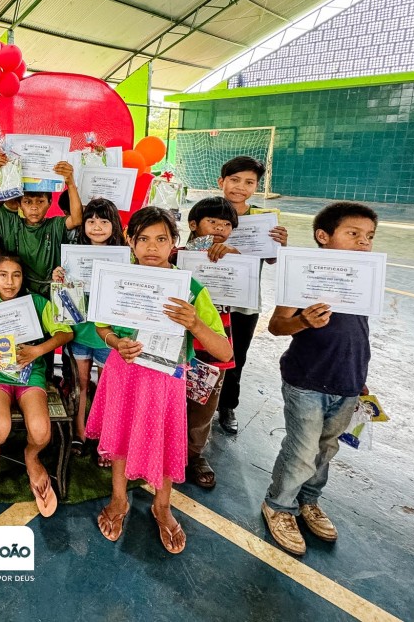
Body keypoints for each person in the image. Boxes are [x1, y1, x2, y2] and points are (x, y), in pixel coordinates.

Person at [87, 207, 232, 554]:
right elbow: (101, 326)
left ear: (174, 243)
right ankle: (119, 499)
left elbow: (224, 350)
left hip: (166, 382)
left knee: (164, 441)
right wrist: (114, 342)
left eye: (161, 239)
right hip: (124, 372)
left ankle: (162, 505)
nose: (152, 247)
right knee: (120, 435)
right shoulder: (118, 279)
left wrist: (195, 324)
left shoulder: (190, 289)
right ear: (130, 242)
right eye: (143, 239)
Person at [261, 202, 378, 557]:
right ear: (323, 236)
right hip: (307, 381)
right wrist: (304, 321)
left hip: (347, 381)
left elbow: (358, 333)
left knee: (327, 447)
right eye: (353, 234)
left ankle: (308, 500)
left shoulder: (365, 278)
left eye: (369, 236)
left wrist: (359, 375)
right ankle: (279, 505)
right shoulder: (303, 275)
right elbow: (276, 325)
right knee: (302, 450)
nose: (363, 242)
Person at [0, 253, 73, 518]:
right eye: (3, 275)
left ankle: (32, 457)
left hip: (31, 375)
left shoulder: (37, 302)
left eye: (16, 275)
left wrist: (37, 351)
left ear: (22, 278)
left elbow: (66, 333)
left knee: (40, 432)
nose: (10, 282)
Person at [215, 156, 288, 434]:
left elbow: (271, 259)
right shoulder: (209, 210)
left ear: (256, 186)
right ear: (221, 182)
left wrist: (280, 244)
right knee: (204, 353)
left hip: (244, 303)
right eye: (234, 180)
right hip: (210, 299)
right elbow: (193, 249)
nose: (240, 187)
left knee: (236, 357)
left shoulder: (262, 219)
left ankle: (227, 405)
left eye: (249, 182)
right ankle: (197, 402)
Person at [50, 197, 125, 465]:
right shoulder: (72, 256)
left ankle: (106, 440)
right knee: (80, 385)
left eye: (104, 221)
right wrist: (59, 278)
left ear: (114, 225)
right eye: (91, 221)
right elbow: (63, 295)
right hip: (79, 331)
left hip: (109, 336)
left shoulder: (125, 257)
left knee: (107, 388)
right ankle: (79, 434)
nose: (97, 227)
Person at [180, 197, 240, 489]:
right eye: (212, 222)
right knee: (172, 400)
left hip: (213, 348)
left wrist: (236, 259)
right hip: (178, 346)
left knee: (203, 407)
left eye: (226, 224)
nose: (219, 229)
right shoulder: (176, 256)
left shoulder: (234, 259)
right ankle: (166, 445)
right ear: (193, 225)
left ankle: (194, 454)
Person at [0, 151, 82, 294]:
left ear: (50, 203)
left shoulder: (55, 225)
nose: (34, 208)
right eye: (27, 202)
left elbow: (77, 219)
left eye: (40, 202)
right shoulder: (11, 223)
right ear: (19, 204)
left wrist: (70, 183)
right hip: (17, 292)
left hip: (51, 291)